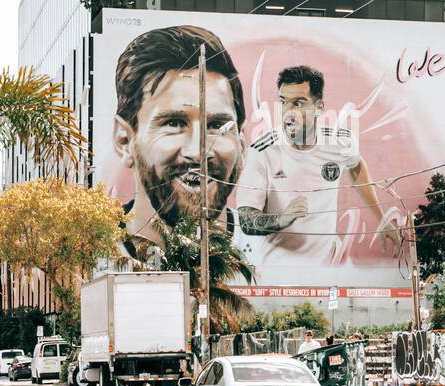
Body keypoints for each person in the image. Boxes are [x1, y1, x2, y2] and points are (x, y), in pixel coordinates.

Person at [236, 65, 400, 269]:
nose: (289, 112)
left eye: (298, 103)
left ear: (319, 107)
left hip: (330, 267)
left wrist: (381, 218)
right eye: (284, 102)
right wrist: (281, 219)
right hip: (278, 271)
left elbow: (357, 167)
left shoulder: (341, 142)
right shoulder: (262, 151)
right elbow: (245, 219)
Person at [111, 25, 248, 255]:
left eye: (216, 126)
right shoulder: (91, 255)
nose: (198, 151)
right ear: (125, 141)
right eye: (173, 123)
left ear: (242, 146)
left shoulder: (272, 258)